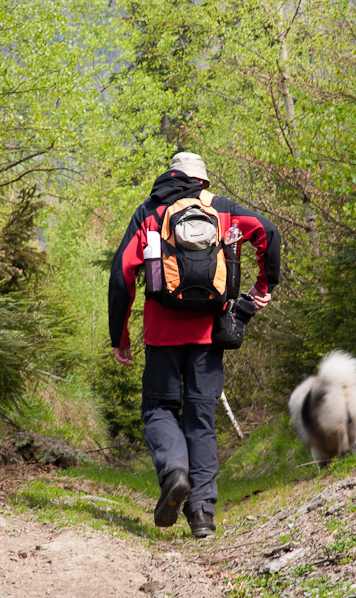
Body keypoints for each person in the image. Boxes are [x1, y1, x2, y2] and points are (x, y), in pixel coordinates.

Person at [108, 152, 281, 538]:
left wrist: (119, 337)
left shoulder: (149, 213)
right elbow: (269, 233)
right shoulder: (222, 210)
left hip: (162, 334)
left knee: (159, 409)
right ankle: (201, 514)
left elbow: (122, 275)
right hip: (209, 333)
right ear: (201, 181)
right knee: (201, 419)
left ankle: (174, 471)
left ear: (170, 176)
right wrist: (263, 287)